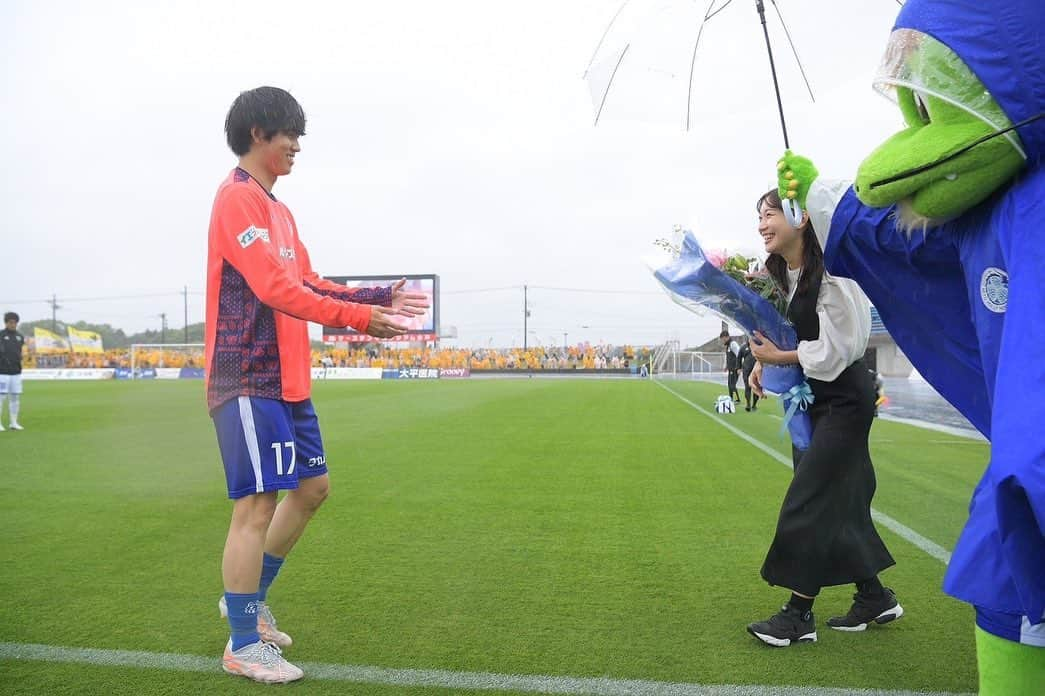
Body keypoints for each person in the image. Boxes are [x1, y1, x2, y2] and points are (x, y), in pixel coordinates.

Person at [206, 86, 429, 684]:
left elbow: (308, 279)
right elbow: (274, 289)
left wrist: (377, 297)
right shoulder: (236, 200)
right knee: (256, 505)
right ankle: (243, 644)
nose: (297, 147)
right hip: (248, 374)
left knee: (312, 490)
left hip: (288, 381)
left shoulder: (278, 210)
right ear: (259, 133)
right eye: (289, 135)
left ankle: (244, 600)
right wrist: (359, 319)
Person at [745, 189, 902, 647]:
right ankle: (874, 596)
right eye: (759, 217)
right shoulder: (778, 273)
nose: (762, 224)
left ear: (801, 218)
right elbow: (785, 331)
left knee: (810, 499)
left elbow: (844, 348)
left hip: (847, 401)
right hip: (810, 398)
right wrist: (763, 362)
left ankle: (798, 615)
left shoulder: (835, 274)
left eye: (770, 214)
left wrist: (781, 355)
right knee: (840, 503)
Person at [0, 312, 26, 431]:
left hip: (16, 372)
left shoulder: (20, 336)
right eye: (10, 322)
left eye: (15, 322)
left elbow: (19, 353)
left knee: (15, 397)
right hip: (2, 372)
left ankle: (13, 423)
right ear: (6, 323)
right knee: (1, 397)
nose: (13, 324)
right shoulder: (1, 335)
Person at [720, 330, 741, 402]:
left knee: (732, 384)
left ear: (727, 337)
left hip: (735, 368)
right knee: (730, 384)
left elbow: (739, 355)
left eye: (723, 339)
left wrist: (739, 367)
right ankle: (731, 399)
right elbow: (728, 357)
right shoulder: (728, 346)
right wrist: (726, 366)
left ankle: (736, 399)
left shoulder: (733, 344)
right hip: (730, 368)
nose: (723, 341)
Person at [739, 340, 758, 412]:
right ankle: (748, 404)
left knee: (756, 387)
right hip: (746, 371)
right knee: (747, 387)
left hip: (756, 371)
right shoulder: (743, 347)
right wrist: (738, 367)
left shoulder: (758, 346)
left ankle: (754, 405)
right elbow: (739, 357)